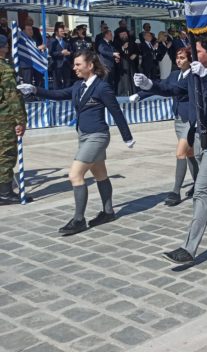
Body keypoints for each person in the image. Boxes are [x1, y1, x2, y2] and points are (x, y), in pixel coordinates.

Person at [134, 33, 207, 264]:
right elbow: (173, 88)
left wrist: (205, 77)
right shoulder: (194, 71)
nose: (195, 55)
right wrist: (150, 85)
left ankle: (189, 248)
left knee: (203, 190)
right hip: (200, 137)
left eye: (199, 52)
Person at [17, 50, 135, 234]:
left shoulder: (102, 88)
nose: (74, 68)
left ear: (90, 66)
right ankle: (108, 212)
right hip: (84, 136)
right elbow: (58, 94)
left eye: (78, 64)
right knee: (100, 174)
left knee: (75, 175)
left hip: (97, 136)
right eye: (74, 64)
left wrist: (127, 136)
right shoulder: (78, 86)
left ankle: (79, 220)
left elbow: (116, 112)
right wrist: (35, 89)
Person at [131, 47, 199, 206]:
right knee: (190, 154)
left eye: (182, 57)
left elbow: (173, 90)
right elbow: (161, 85)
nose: (179, 60)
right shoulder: (175, 74)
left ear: (189, 59)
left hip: (190, 119)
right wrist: (141, 94)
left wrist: (148, 84)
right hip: (178, 119)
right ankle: (198, 184)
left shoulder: (193, 76)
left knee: (180, 152)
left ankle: (175, 191)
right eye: (177, 57)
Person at [0, 35, 27, 205]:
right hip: (5, 117)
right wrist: (20, 120)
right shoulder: (5, 68)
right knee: (6, 154)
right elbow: (12, 96)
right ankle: (4, 193)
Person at [50, 23, 73, 89]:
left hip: (66, 64)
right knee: (57, 82)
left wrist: (69, 53)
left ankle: (66, 95)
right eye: (61, 31)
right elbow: (51, 53)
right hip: (57, 64)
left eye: (63, 31)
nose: (63, 32)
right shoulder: (52, 41)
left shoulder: (66, 40)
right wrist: (61, 53)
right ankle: (57, 95)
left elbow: (71, 50)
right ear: (56, 32)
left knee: (67, 81)